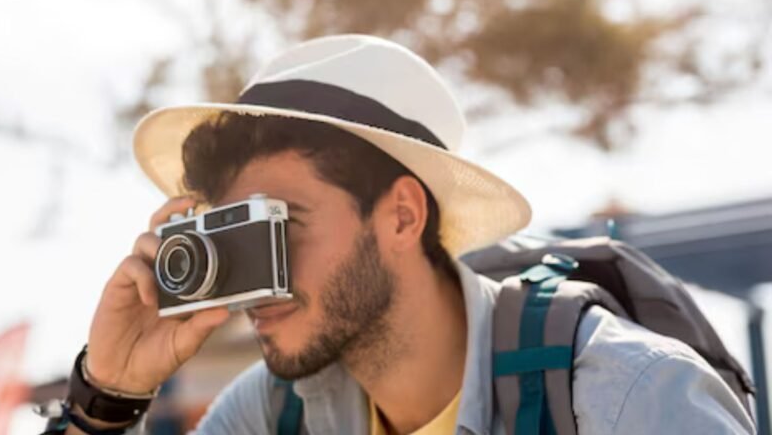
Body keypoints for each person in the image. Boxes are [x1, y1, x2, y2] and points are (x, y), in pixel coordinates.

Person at [52, 35, 755, 435]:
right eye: (237, 241)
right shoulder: (273, 412)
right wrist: (108, 393)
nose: (259, 285)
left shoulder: (624, 396)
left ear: (402, 216)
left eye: (282, 227)